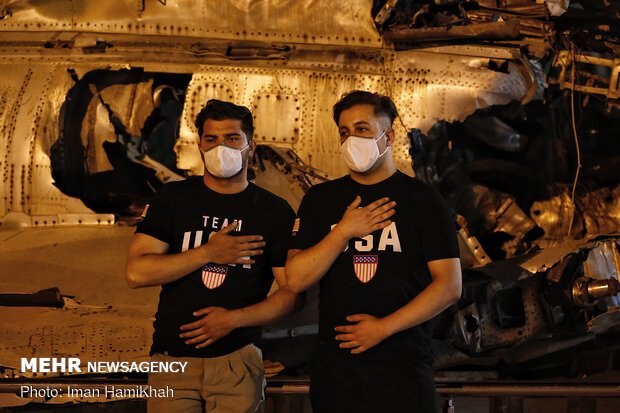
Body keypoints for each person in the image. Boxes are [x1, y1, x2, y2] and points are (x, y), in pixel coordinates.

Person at [285, 91, 462, 413]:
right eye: (344, 131)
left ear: (389, 135)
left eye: (363, 129)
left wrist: (383, 328)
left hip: (403, 368)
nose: (352, 138)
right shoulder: (321, 199)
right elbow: (295, 279)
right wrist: (343, 232)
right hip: (336, 372)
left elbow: (449, 286)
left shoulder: (423, 200)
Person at [126, 99, 299, 413]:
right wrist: (208, 252)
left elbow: (291, 293)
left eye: (232, 138)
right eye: (211, 139)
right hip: (172, 358)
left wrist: (233, 320)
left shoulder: (274, 211)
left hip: (237, 358)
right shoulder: (174, 198)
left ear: (251, 146)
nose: (221, 147)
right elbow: (137, 273)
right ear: (201, 145)